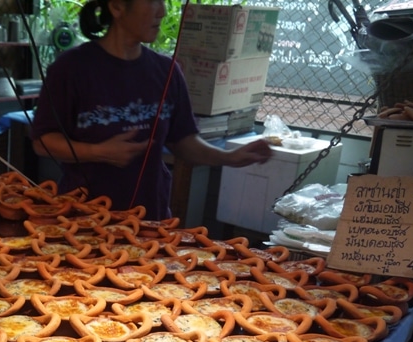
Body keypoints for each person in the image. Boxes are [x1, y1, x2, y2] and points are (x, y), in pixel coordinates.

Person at [30, 0, 273, 220]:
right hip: (81, 218)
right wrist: (98, 152)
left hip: (150, 218)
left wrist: (229, 158)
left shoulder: (166, 71)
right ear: (117, 7)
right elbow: (43, 141)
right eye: (153, 1)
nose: (163, 11)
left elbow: (183, 141)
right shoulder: (71, 68)